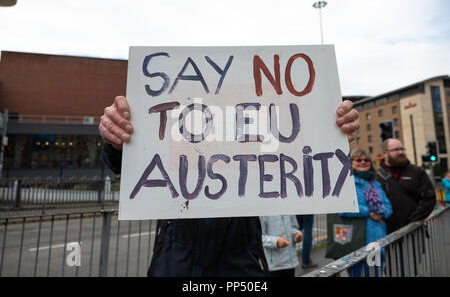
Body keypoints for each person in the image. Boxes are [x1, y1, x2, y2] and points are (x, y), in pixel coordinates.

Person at [99, 96, 360, 276]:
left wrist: (332, 135)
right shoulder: (176, 152)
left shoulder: (257, 160)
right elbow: (131, 160)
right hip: (178, 256)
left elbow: (303, 168)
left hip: (241, 257)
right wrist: (116, 140)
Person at [340, 148, 392, 277]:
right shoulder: (345, 183)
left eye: (366, 160)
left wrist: (381, 213)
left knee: (376, 274)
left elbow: (388, 206)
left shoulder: (375, 184)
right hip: (355, 242)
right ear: (350, 162)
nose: (363, 162)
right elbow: (344, 208)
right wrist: (369, 212)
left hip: (377, 240)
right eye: (358, 160)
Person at [376, 138, 436, 234]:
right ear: (385, 153)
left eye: (402, 149)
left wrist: (413, 222)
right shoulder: (376, 175)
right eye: (396, 150)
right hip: (386, 233)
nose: (400, 152)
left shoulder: (417, 172)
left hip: (414, 232)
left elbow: (429, 199)